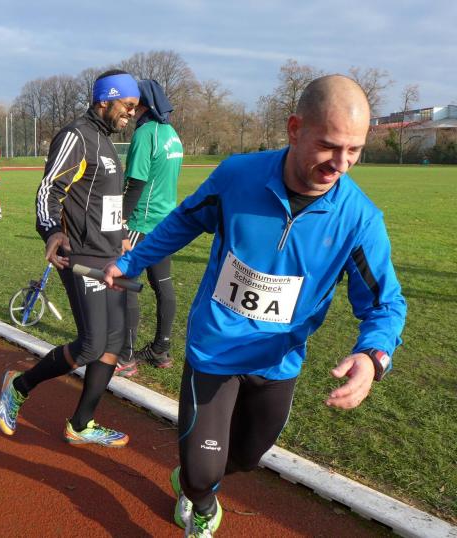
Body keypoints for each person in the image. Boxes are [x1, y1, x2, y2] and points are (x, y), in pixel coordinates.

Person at [104, 75, 406, 537]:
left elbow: (385, 303)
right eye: (328, 146)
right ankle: (199, 500)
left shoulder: (359, 219)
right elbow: (183, 220)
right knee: (201, 474)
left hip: (278, 361)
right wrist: (131, 261)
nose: (341, 164)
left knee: (245, 458)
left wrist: (372, 355)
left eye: (354, 150)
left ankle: (200, 476)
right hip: (215, 350)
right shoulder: (237, 176)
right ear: (294, 129)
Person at [0, 70, 140, 447]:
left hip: (111, 255)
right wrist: (50, 230)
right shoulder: (76, 136)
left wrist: (122, 233)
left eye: (135, 107)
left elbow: (105, 200)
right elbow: (49, 189)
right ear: (105, 100)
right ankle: (19, 386)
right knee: (92, 344)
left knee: (113, 344)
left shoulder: (106, 141)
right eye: (128, 105)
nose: (132, 113)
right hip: (82, 255)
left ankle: (81, 423)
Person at [115, 79, 184, 378]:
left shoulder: (146, 133)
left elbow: (136, 183)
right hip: (166, 223)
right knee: (162, 283)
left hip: (141, 223)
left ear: (143, 104)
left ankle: (125, 356)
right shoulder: (172, 134)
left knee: (124, 284)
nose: (131, 110)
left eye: (133, 103)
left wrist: (120, 220)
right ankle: (160, 350)